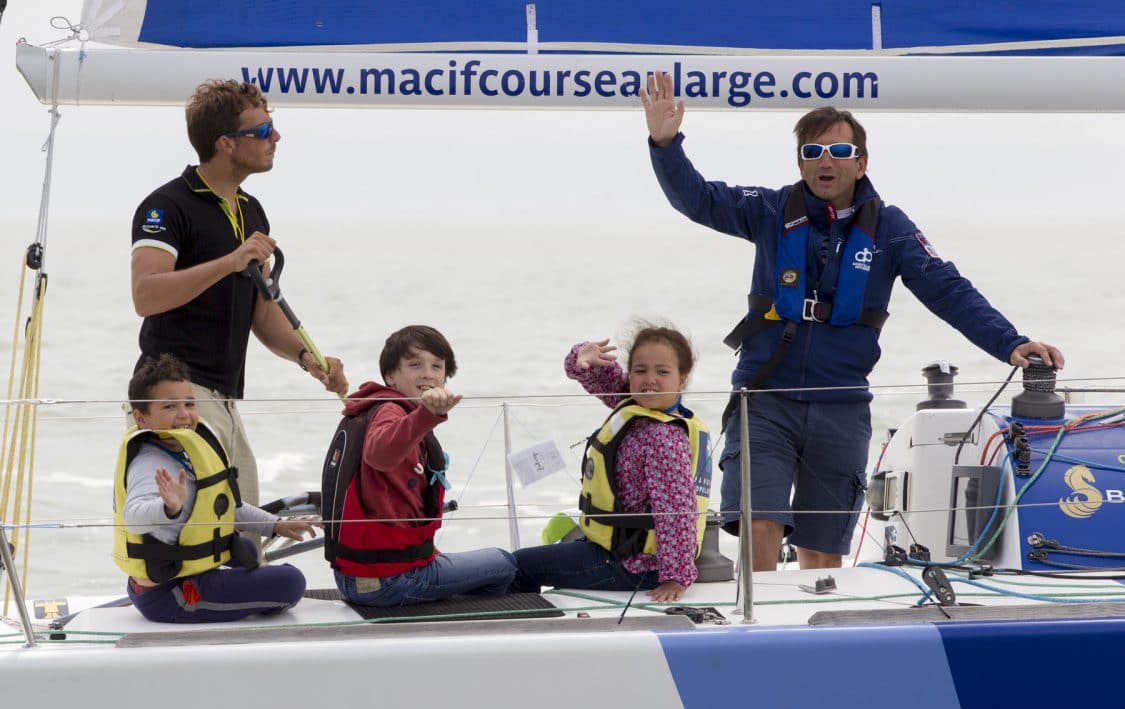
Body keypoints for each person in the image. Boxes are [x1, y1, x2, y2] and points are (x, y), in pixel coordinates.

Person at [640, 72, 1064, 571]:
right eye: (814, 152)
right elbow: (697, 199)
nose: (826, 162)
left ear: (861, 163)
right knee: (759, 523)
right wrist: (665, 142)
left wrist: (1010, 343)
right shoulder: (770, 209)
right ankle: (758, 633)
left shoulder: (892, 228)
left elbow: (947, 289)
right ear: (799, 162)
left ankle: (812, 639)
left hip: (840, 403)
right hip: (766, 397)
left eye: (840, 153)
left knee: (822, 548)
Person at [129, 79, 348, 510]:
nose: (276, 138)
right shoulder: (165, 207)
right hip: (176, 396)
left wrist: (310, 360)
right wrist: (230, 261)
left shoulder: (251, 210)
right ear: (226, 144)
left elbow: (264, 313)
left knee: (241, 538)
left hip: (223, 399)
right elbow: (146, 295)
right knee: (199, 538)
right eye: (263, 131)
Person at [510, 324, 711, 603]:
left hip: (634, 565)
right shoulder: (635, 403)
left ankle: (523, 630)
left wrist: (675, 578)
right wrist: (582, 355)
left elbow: (677, 513)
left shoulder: (664, 437)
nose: (649, 379)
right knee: (521, 562)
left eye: (662, 372)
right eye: (640, 370)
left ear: (682, 379)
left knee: (518, 566)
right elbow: (594, 374)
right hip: (614, 547)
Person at [114, 354, 318, 624]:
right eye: (169, 406)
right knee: (291, 582)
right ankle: (235, 595)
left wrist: (275, 525)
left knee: (244, 547)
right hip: (171, 594)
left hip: (178, 575)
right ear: (141, 418)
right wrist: (168, 507)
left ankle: (235, 585)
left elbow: (222, 507)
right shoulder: (149, 463)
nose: (184, 414)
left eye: (189, 403)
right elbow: (133, 518)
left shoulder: (182, 452)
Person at [327, 325, 517, 608]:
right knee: (505, 564)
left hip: (354, 578)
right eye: (415, 365)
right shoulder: (391, 411)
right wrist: (428, 415)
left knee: (468, 565)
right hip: (391, 581)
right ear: (390, 375)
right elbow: (379, 454)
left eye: (436, 366)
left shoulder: (376, 408)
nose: (428, 373)